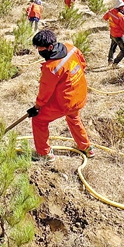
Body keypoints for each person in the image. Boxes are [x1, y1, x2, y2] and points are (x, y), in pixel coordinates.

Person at [26, 30, 92, 161]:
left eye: (40, 48)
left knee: (39, 120)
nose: (38, 50)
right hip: (80, 95)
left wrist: (37, 107)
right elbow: (82, 64)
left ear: (50, 47)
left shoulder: (52, 68)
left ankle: (44, 153)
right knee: (73, 118)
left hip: (66, 102)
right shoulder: (71, 48)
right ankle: (86, 148)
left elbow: (45, 92)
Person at [102, 0, 124, 68]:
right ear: (119, 7)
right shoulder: (121, 16)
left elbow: (105, 18)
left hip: (112, 33)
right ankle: (115, 64)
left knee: (112, 47)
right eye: (122, 6)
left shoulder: (110, 12)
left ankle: (110, 60)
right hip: (118, 35)